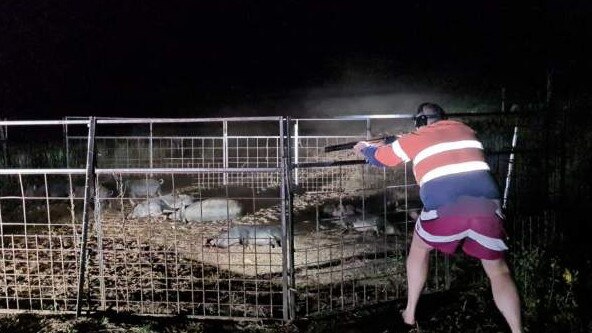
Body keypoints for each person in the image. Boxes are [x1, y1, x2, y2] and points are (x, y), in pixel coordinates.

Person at [353, 103, 522, 333]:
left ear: (420, 121)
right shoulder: (466, 130)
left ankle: (410, 314)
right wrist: (398, 140)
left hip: (448, 210)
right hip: (487, 207)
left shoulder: (418, 137)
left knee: (419, 249)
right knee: (499, 270)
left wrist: (363, 148)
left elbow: (380, 158)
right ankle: (517, 329)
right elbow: (435, 141)